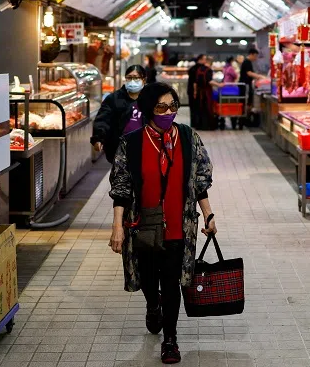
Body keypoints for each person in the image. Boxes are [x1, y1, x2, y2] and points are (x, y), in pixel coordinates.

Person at [108, 82, 217, 365]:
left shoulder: (188, 137)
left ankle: (170, 339)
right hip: (141, 225)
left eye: (172, 106)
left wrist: (208, 215)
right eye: (161, 107)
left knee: (171, 283)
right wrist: (117, 226)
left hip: (179, 226)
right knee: (147, 277)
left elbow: (199, 183)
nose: (168, 112)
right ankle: (152, 303)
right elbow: (121, 187)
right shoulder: (130, 143)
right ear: (148, 109)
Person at [92, 65, 148, 164]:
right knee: (121, 177)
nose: (132, 81)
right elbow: (103, 119)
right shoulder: (114, 99)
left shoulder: (151, 98)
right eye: (129, 78)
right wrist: (98, 138)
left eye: (136, 78)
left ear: (144, 79)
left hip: (145, 147)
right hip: (119, 147)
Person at [239, 48, 266, 129]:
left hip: (247, 85)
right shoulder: (247, 62)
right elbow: (249, 73)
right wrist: (260, 77)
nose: (256, 58)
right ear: (252, 54)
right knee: (247, 103)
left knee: (248, 103)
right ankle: (245, 120)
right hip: (245, 86)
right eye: (255, 56)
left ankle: (246, 120)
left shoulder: (248, 62)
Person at [193, 56, 216, 131]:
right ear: (210, 63)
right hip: (207, 92)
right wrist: (219, 85)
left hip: (200, 92)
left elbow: (195, 82)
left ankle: (200, 125)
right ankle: (209, 126)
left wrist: (195, 92)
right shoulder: (209, 70)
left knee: (200, 108)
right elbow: (210, 81)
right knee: (208, 108)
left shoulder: (199, 69)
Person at [186, 54, 204, 128]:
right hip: (195, 91)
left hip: (190, 90)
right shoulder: (199, 69)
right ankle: (197, 123)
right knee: (197, 107)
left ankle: (193, 123)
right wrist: (195, 92)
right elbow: (195, 82)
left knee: (192, 108)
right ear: (200, 59)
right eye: (204, 59)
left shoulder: (192, 68)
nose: (205, 60)